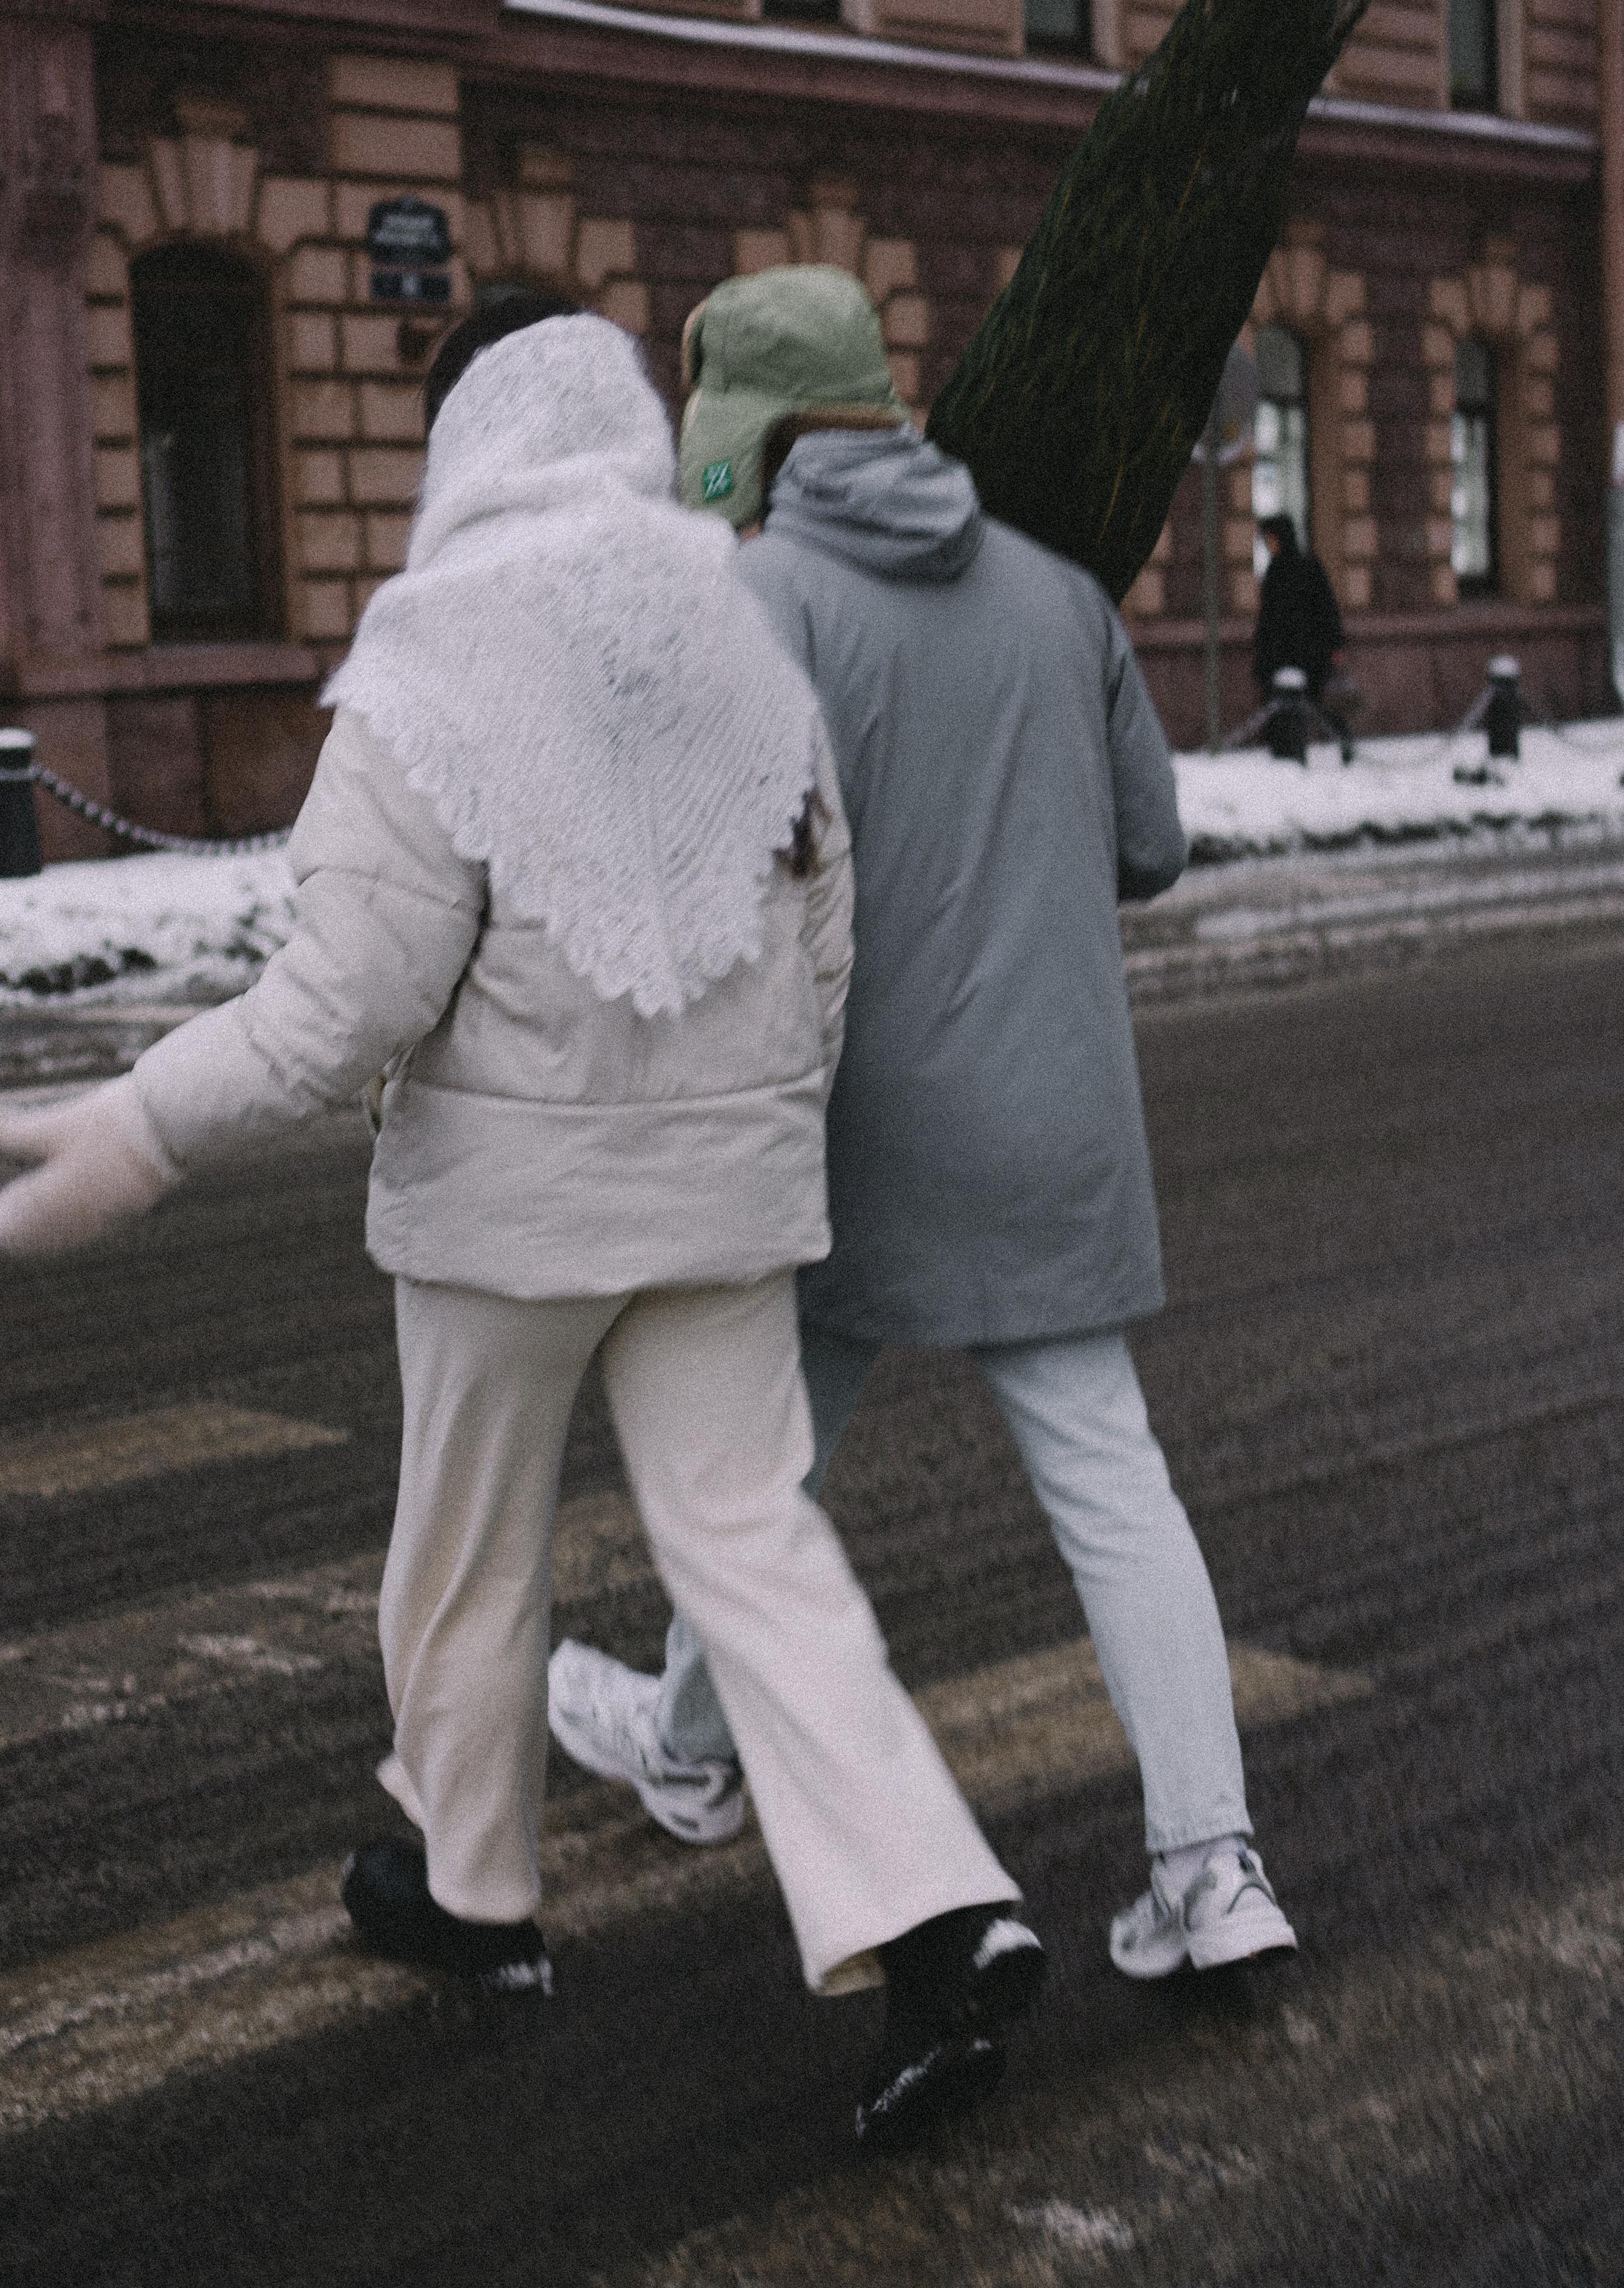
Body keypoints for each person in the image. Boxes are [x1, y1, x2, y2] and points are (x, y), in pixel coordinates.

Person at [0, 309, 1045, 2149]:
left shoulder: (435, 659)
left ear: (467, 449)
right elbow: (825, 935)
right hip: (727, 1209)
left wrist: (137, 1127)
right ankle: (940, 1919)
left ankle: (471, 1894)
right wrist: (752, 1128)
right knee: (757, 1558)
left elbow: (345, 1010)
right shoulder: (742, 628)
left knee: (469, 1556)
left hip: (506, 1223)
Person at [549, 268, 1299, 1986]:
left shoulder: (762, 606)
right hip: (1057, 1122)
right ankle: (1213, 1864)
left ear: (746, 436)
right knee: (1113, 1487)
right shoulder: (1052, 591)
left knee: (760, 1472)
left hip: (848, 1132)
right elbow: (1151, 844)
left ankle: (685, 1747)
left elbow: (707, 879)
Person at [1251, 512, 1351, 753]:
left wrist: (1335, 645)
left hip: (1300, 652)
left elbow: (1326, 609)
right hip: (1295, 652)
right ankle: (1292, 749)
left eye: (1270, 539)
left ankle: (1300, 748)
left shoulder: (1296, 568)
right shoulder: (1287, 569)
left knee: (1309, 704)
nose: (1268, 545)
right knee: (1298, 705)